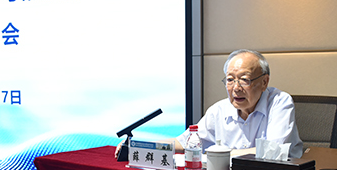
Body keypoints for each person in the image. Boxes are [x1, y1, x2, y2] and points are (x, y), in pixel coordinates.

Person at [115, 49, 303, 158]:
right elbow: (184, 143)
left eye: (244, 80)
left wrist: (221, 155)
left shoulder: (280, 102)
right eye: (230, 80)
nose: (236, 88)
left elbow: (273, 151)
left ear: (264, 82)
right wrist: (140, 145)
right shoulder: (219, 110)